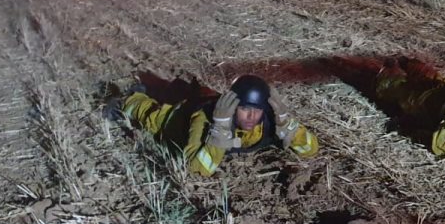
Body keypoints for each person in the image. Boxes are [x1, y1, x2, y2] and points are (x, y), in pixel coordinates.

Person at [108, 74, 318, 176]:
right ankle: (130, 98)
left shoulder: (270, 120)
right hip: (180, 118)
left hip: (208, 101)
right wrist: (220, 131)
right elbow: (197, 169)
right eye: (245, 109)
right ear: (234, 107)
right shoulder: (205, 118)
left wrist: (289, 126)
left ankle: (179, 88)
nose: (251, 117)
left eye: (257, 111)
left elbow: (310, 150)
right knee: (153, 116)